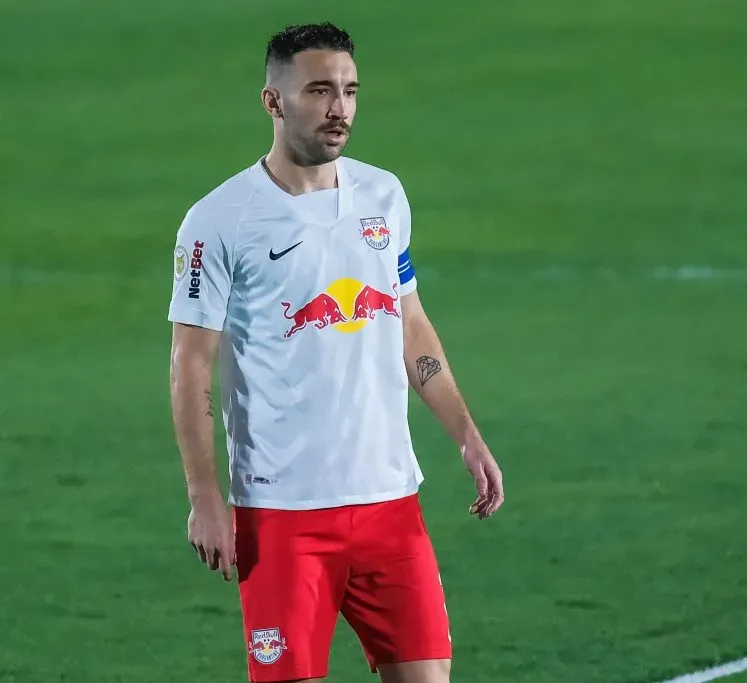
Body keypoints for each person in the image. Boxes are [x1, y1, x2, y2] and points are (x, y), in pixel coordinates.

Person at [167, 21, 504, 683]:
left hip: (388, 503)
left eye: (349, 90)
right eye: (320, 89)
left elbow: (409, 323)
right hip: (283, 516)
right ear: (273, 102)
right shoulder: (218, 221)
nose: (339, 107)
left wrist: (465, 433)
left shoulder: (383, 196)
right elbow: (190, 362)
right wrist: (205, 495)